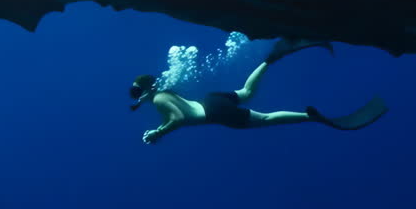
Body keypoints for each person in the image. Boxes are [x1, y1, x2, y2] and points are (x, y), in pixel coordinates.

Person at [131, 39, 387, 144]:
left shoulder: (160, 99)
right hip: (211, 100)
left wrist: (158, 133)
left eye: (136, 93)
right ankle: (270, 59)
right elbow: (175, 112)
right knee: (245, 91)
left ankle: (310, 116)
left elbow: (177, 118)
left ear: (144, 91)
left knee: (264, 119)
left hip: (214, 113)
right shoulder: (165, 92)